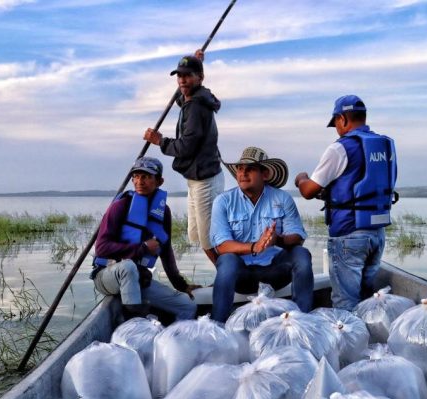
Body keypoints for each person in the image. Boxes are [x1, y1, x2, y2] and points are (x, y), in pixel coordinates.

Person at [295, 95, 398, 310]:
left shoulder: (340, 148)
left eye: (336, 124)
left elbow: (308, 191)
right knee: (366, 299)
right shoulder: (386, 145)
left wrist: (301, 178)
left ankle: (351, 343)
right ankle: (367, 340)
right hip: (377, 234)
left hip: (348, 235)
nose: (337, 130)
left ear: (342, 119)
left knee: (345, 303)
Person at [210, 147, 314, 322]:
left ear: (264, 174)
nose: (242, 173)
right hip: (241, 275)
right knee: (226, 260)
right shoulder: (223, 201)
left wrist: (277, 240)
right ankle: (218, 324)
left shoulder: (282, 199)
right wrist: (253, 247)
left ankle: (301, 321)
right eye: (240, 169)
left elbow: (297, 236)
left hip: (275, 272)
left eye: (250, 169)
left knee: (302, 255)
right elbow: (221, 245)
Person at [91, 157, 198, 320]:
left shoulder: (164, 213)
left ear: (159, 181)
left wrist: (182, 285)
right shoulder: (120, 206)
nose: (140, 181)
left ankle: (173, 338)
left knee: (187, 306)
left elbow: (166, 252)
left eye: (146, 177)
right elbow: (102, 248)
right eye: (136, 176)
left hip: (138, 279)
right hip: (107, 276)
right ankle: (134, 321)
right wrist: (142, 248)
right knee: (127, 267)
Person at [143, 52, 224, 265]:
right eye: (179, 76)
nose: (182, 80)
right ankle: (229, 275)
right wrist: (198, 63)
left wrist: (160, 141)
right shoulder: (193, 99)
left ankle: (233, 279)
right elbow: (183, 98)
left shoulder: (197, 106)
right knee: (195, 234)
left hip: (205, 179)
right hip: (196, 179)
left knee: (208, 239)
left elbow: (186, 146)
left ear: (200, 77)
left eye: (187, 76)